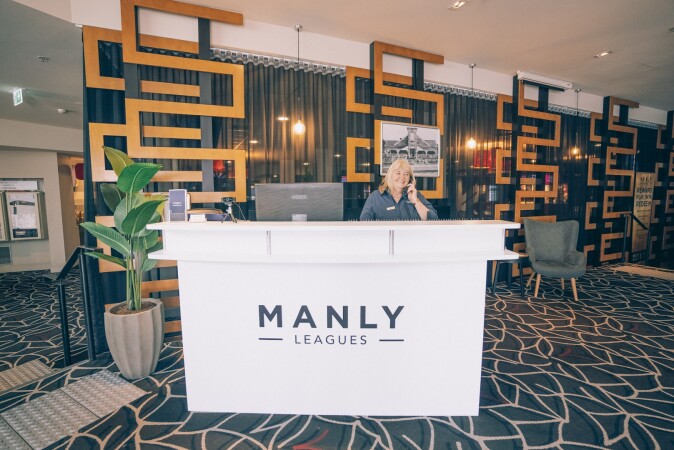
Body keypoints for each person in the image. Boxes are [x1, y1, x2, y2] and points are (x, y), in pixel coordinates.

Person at [360, 159, 438, 221]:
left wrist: (416, 202)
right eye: (398, 173)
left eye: (406, 174)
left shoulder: (416, 195)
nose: (402, 177)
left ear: (410, 178)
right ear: (390, 175)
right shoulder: (375, 197)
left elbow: (433, 220)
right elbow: (363, 225)